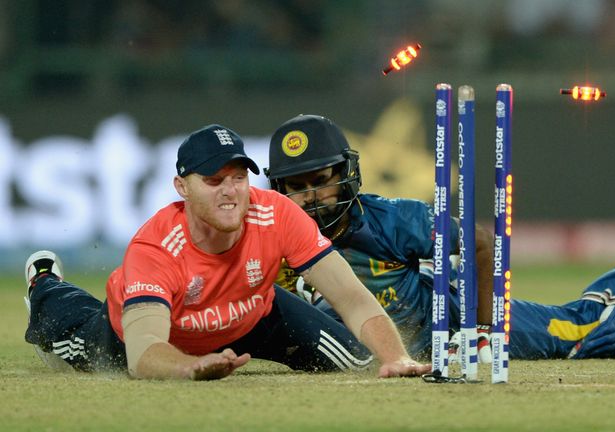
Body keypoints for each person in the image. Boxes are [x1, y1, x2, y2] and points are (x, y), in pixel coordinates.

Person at [264, 114, 615, 361]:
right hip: (404, 342)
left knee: (598, 332)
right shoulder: (271, 235)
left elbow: (480, 243)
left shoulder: (390, 221)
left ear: (346, 176)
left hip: (461, 318)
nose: (312, 197)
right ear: (278, 191)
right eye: (298, 187)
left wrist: (479, 334)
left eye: (322, 180)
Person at [23, 124, 431, 380]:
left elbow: (352, 298)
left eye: (237, 178)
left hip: (256, 317)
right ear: (182, 187)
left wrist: (397, 357)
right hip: (141, 335)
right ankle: (45, 283)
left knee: (362, 362)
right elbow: (144, 353)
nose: (230, 191)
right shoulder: (154, 248)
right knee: (72, 338)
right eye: (213, 180)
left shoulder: (277, 214)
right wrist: (189, 365)